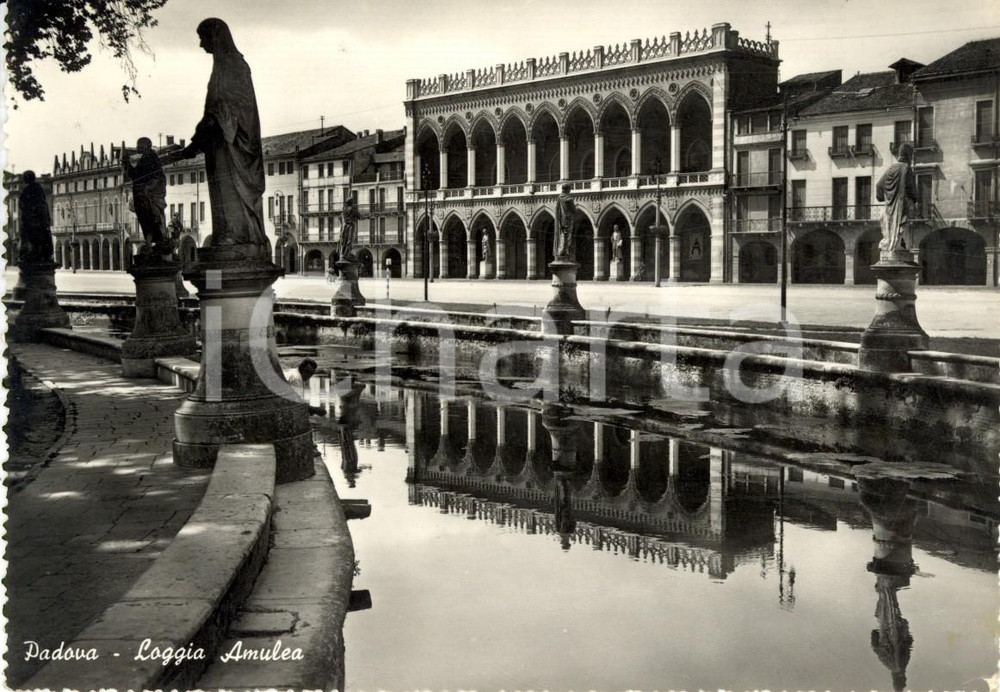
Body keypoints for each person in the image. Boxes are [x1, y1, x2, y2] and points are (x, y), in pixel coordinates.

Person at [181, 18, 268, 254]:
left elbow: (228, 107)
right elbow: (216, 109)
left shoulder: (234, 67)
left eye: (203, 38)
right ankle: (228, 233)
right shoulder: (222, 67)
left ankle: (237, 236)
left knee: (230, 189)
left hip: (234, 144)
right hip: (221, 142)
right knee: (221, 190)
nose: (201, 45)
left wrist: (198, 140)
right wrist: (200, 139)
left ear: (215, 38)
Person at [123, 137, 169, 255]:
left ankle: (156, 243)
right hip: (142, 198)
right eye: (138, 145)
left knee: (152, 220)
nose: (137, 148)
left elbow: (158, 177)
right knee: (146, 221)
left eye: (139, 145)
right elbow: (136, 176)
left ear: (146, 146)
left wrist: (148, 188)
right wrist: (126, 164)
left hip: (150, 197)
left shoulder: (152, 158)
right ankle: (152, 243)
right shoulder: (144, 159)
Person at [876, 142, 917, 252]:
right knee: (904, 225)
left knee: (890, 229)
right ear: (908, 155)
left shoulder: (891, 168)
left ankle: (894, 244)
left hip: (889, 205)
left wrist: (882, 198)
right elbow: (912, 189)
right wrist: (914, 199)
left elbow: (878, 185)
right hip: (901, 205)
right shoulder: (906, 168)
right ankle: (900, 244)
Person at [18, 170, 53, 263]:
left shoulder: (28, 190)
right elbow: (43, 204)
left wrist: (29, 210)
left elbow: (22, 204)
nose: (23, 179)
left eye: (24, 177)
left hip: (33, 219)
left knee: (32, 237)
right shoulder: (38, 189)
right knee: (40, 237)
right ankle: (40, 254)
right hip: (39, 218)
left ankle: (33, 254)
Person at [555, 184, 576, 258]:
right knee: (567, 237)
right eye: (569, 189)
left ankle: (561, 250)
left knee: (562, 235)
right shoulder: (569, 199)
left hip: (561, 220)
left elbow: (557, 209)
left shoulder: (559, 198)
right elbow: (574, 210)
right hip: (568, 220)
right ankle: (564, 251)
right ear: (567, 190)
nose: (570, 191)